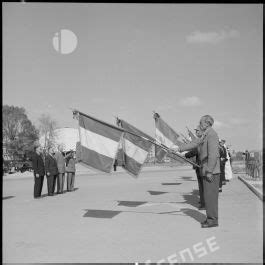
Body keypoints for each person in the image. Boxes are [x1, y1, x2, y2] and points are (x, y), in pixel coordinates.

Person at [177, 115, 220, 228]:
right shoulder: (206, 134)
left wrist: (210, 171)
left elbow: (213, 155)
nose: (199, 124)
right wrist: (178, 148)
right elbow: (195, 144)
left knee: (210, 197)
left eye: (200, 122)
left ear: (207, 123)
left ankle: (212, 220)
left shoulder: (212, 135)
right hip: (206, 169)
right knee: (208, 196)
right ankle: (210, 218)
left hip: (211, 171)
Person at [184, 125, 205, 210]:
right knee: (201, 186)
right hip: (199, 166)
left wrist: (185, 154)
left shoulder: (202, 141)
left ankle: (204, 204)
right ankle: (203, 201)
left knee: (203, 186)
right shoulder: (200, 141)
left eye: (198, 131)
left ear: (203, 132)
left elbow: (195, 151)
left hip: (202, 167)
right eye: (196, 131)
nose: (196, 132)